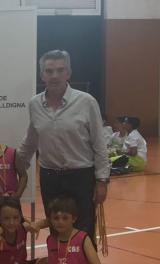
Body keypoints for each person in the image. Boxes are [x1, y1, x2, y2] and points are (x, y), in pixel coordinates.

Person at [18, 49, 109, 240]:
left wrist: (102, 181)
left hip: (81, 177)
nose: (55, 75)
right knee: (56, 230)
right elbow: (30, 141)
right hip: (50, 178)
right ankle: (58, 261)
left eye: (60, 70)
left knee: (83, 232)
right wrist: (13, 166)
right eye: (49, 71)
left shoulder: (86, 102)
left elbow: (99, 144)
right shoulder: (34, 104)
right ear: (42, 75)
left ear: (69, 73)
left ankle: (85, 261)